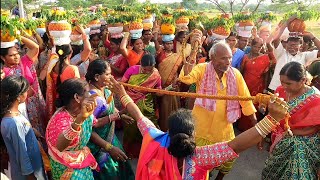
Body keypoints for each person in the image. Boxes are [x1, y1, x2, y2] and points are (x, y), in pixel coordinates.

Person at [106, 76, 289, 180]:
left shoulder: (153, 137)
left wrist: (121, 93)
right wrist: (272, 119)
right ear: (193, 135)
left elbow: (138, 115)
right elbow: (237, 145)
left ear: (168, 131)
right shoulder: (201, 157)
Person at [178, 41, 257, 180]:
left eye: (230, 58)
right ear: (213, 58)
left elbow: (246, 99)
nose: (228, 61)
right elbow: (186, 78)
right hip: (201, 128)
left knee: (228, 160)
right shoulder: (202, 69)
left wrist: (255, 124)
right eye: (224, 58)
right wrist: (193, 52)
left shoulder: (235, 74)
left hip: (224, 129)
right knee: (196, 162)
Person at [46, 78, 114, 179]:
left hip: (80, 161)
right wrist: (80, 119)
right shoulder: (62, 119)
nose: (91, 95)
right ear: (77, 97)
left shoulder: (82, 112)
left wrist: (118, 115)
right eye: (87, 92)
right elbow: (60, 146)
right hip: (66, 167)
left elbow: (95, 123)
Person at [262, 61, 320, 179]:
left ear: (303, 80)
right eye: (282, 82)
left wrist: (291, 135)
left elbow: (315, 127)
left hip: (302, 148)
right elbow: (272, 115)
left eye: (288, 83)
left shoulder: (316, 99)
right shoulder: (280, 90)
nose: (284, 86)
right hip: (279, 142)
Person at [85, 60, 135, 179]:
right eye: (107, 74)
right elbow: (88, 129)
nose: (111, 77)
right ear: (97, 77)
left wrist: (121, 115)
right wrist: (109, 148)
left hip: (110, 138)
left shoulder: (105, 89)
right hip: (100, 146)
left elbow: (109, 109)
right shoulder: (93, 99)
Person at [1, 76, 47, 180]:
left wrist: (31, 131)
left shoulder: (13, 113)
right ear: (18, 96)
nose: (29, 91)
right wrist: (31, 177)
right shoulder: (14, 123)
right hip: (28, 174)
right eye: (26, 90)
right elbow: (22, 156)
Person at [1, 35, 46, 136]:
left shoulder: (23, 62)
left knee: (38, 129)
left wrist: (18, 34)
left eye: (17, 53)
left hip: (33, 103)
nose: (16, 56)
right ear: (3, 58)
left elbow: (35, 47)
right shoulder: (3, 72)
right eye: (12, 55)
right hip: (18, 106)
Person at [121, 54, 162, 158]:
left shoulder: (156, 75)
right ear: (140, 65)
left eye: (150, 70)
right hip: (130, 102)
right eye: (144, 70)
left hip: (147, 105)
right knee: (131, 128)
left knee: (150, 127)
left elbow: (158, 91)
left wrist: (170, 88)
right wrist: (130, 95)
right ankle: (129, 152)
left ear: (154, 66)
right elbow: (122, 85)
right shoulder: (132, 70)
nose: (148, 72)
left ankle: (150, 153)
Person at [268, 17, 320, 91]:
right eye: (290, 44)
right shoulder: (281, 53)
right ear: (286, 45)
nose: (291, 47)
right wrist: (286, 24)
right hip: (277, 88)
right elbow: (276, 39)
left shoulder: (304, 56)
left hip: (295, 90)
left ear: (300, 46)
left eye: (295, 45)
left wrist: (313, 37)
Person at [238, 37, 275, 131]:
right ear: (251, 45)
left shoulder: (265, 57)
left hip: (258, 86)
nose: (257, 49)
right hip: (246, 84)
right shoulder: (245, 57)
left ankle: (252, 129)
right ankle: (241, 127)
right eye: (255, 46)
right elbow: (241, 72)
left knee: (255, 104)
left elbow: (266, 74)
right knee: (244, 103)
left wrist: (265, 88)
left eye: (260, 47)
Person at [155, 34, 183, 131]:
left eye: (171, 43)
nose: (169, 46)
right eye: (167, 44)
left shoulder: (177, 56)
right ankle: (164, 127)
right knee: (164, 107)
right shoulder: (160, 55)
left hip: (174, 83)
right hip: (162, 84)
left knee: (175, 105)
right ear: (163, 44)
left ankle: (176, 127)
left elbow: (179, 70)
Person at [46, 44, 80, 119]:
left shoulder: (52, 66)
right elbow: (79, 87)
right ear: (71, 53)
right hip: (71, 103)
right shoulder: (72, 69)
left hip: (58, 100)